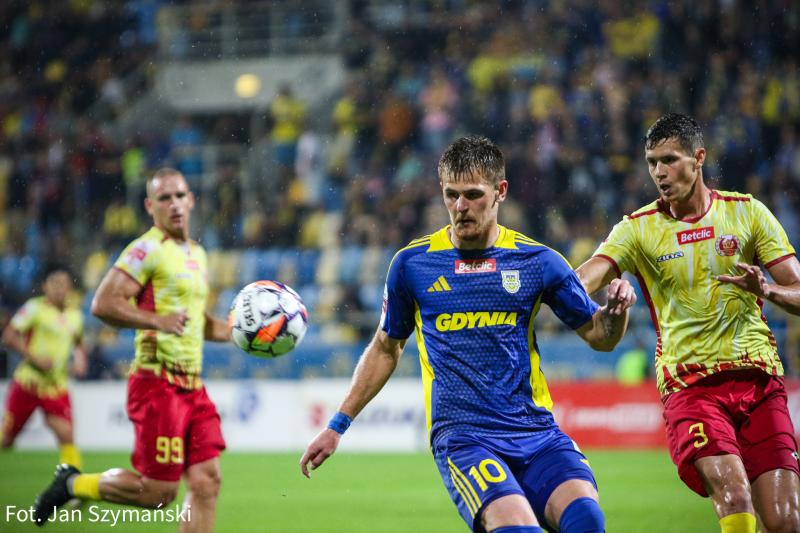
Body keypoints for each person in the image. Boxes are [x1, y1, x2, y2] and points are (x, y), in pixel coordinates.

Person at [300, 136, 637, 533]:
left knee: (587, 520)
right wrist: (338, 425)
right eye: (451, 195)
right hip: (464, 437)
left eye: (473, 195)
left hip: (536, 430)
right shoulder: (413, 265)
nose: (461, 207)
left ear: (500, 192)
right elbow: (386, 347)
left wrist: (615, 313)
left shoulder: (538, 261)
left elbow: (601, 336)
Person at [576, 113, 800, 533]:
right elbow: (582, 280)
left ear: (699, 158)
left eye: (670, 160)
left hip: (759, 380)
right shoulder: (637, 229)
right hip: (691, 386)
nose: (659, 172)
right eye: (651, 162)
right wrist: (608, 295)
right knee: (734, 496)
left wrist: (767, 290)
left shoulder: (748, 213)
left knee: (784, 520)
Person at [32, 168, 232, 532]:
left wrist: (238, 331)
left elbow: (195, 321)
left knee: (207, 481)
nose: (174, 204)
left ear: (192, 200)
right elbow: (103, 303)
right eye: (164, 198)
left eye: (179, 196)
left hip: (193, 386)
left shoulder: (197, 255)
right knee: (158, 493)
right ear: (149, 206)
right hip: (158, 382)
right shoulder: (147, 249)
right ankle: (73, 484)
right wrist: (156, 321)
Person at [1, 266, 87, 467]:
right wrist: (34, 359)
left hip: (56, 385)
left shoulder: (75, 315)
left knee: (67, 436)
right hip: (28, 383)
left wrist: (81, 360)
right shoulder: (34, 308)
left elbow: (79, 342)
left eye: (64, 284)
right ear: (44, 286)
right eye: (55, 284)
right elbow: (9, 336)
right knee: (6, 440)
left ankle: (72, 485)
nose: (59, 289)